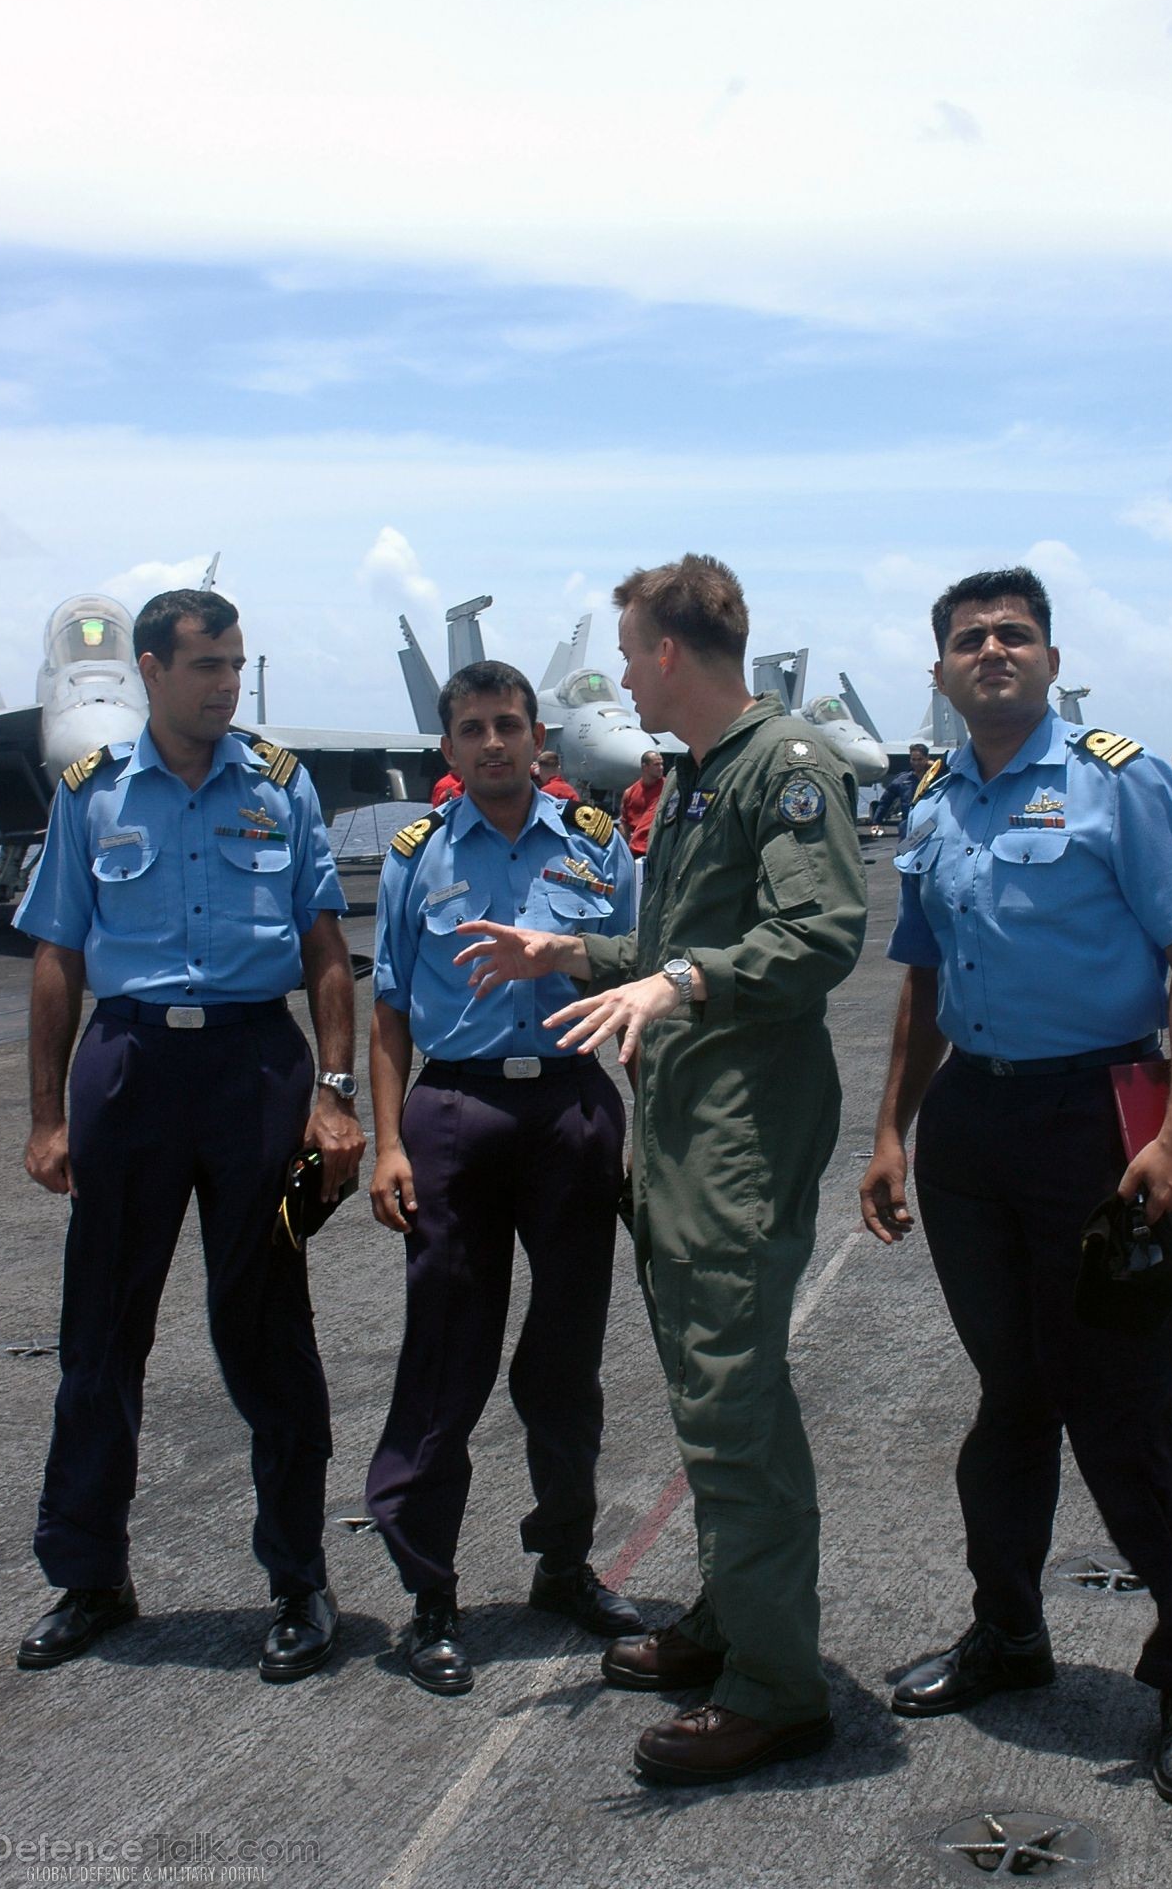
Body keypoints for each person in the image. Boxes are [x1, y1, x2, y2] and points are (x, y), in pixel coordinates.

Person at [454, 555, 867, 1785]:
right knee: (707, 1393)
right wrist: (568, 950)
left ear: (672, 652)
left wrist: (675, 981)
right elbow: (671, 944)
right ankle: (734, 1618)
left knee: (736, 1406)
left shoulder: (782, 765)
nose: (621, 671)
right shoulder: (694, 782)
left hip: (740, 1133)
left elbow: (817, 934)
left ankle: (777, 1687)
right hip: (687, 1129)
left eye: (630, 650)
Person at [860, 566, 1172, 1807]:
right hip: (974, 1120)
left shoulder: (1118, 778)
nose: (992, 649)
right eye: (969, 638)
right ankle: (1008, 1633)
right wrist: (889, 1134)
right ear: (941, 670)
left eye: (1013, 632)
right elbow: (917, 978)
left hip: (1101, 1120)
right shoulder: (933, 799)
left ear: (1051, 654)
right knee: (1012, 1400)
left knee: (1124, 1412)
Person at [13, 588, 364, 1681]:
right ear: (152, 668)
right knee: (100, 1334)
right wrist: (47, 1113)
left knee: (267, 1327)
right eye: (208, 664)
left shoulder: (282, 784)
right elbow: (58, 954)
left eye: (237, 664)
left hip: (258, 1069)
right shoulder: (92, 791)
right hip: (129, 1069)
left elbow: (324, 946)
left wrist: (336, 1092)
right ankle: (90, 1574)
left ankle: (299, 1577)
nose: (227, 684)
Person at [364, 660, 642, 1695]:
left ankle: (563, 1564)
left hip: (569, 1109)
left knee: (565, 1361)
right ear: (448, 747)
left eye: (508, 725)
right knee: (446, 1355)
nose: (492, 743)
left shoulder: (600, 847)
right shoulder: (416, 856)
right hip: (455, 1113)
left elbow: (645, 976)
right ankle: (430, 1593)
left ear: (540, 741)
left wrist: (643, 1123)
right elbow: (388, 1007)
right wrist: (388, 1141)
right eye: (472, 727)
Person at [871, 743, 932, 835]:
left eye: (920, 759)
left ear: (927, 758)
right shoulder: (902, 780)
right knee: (904, 849)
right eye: (913, 759)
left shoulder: (936, 778)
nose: (916, 763)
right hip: (908, 826)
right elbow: (885, 802)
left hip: (930, 825)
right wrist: (876, 822)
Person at [619, 749, 665, 857]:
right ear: (645, 767)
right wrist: (623, 850)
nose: (661, 768)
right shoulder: (630, 793)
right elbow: (624, 824)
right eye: (656, 765)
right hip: (636, 851)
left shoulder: (668, 788)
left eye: (662, 764)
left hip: (658, 851)